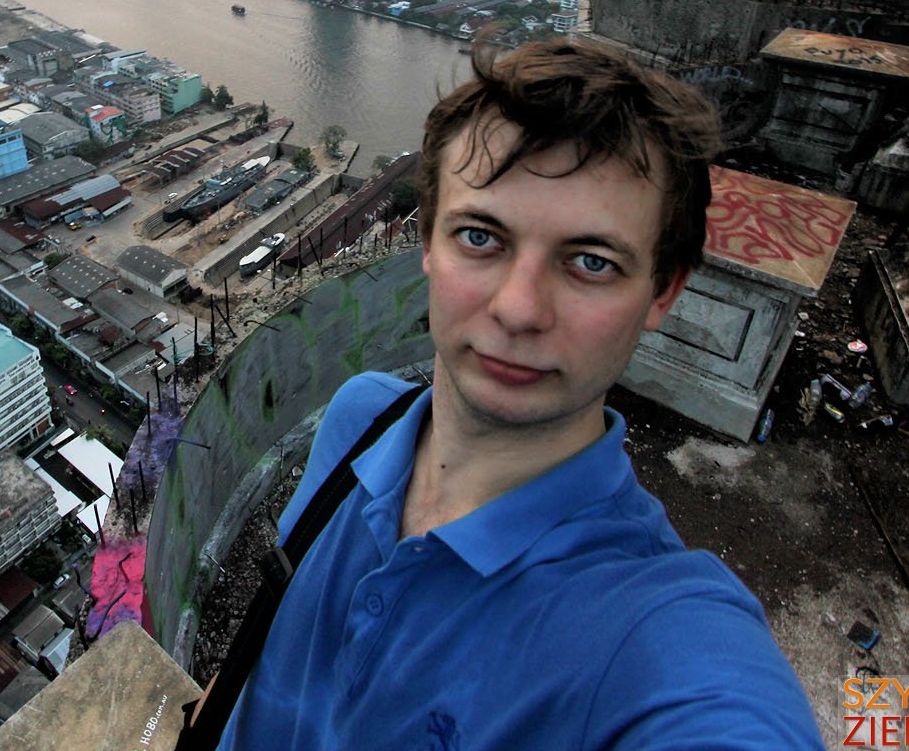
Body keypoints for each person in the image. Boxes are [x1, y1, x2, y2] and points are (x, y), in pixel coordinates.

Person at [215, 39, 823, 750]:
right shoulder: (357, 420)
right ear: (426, 246)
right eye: (481, 236)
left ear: (663, 291)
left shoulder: (648, 633)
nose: (519, 309)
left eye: (591, 262)